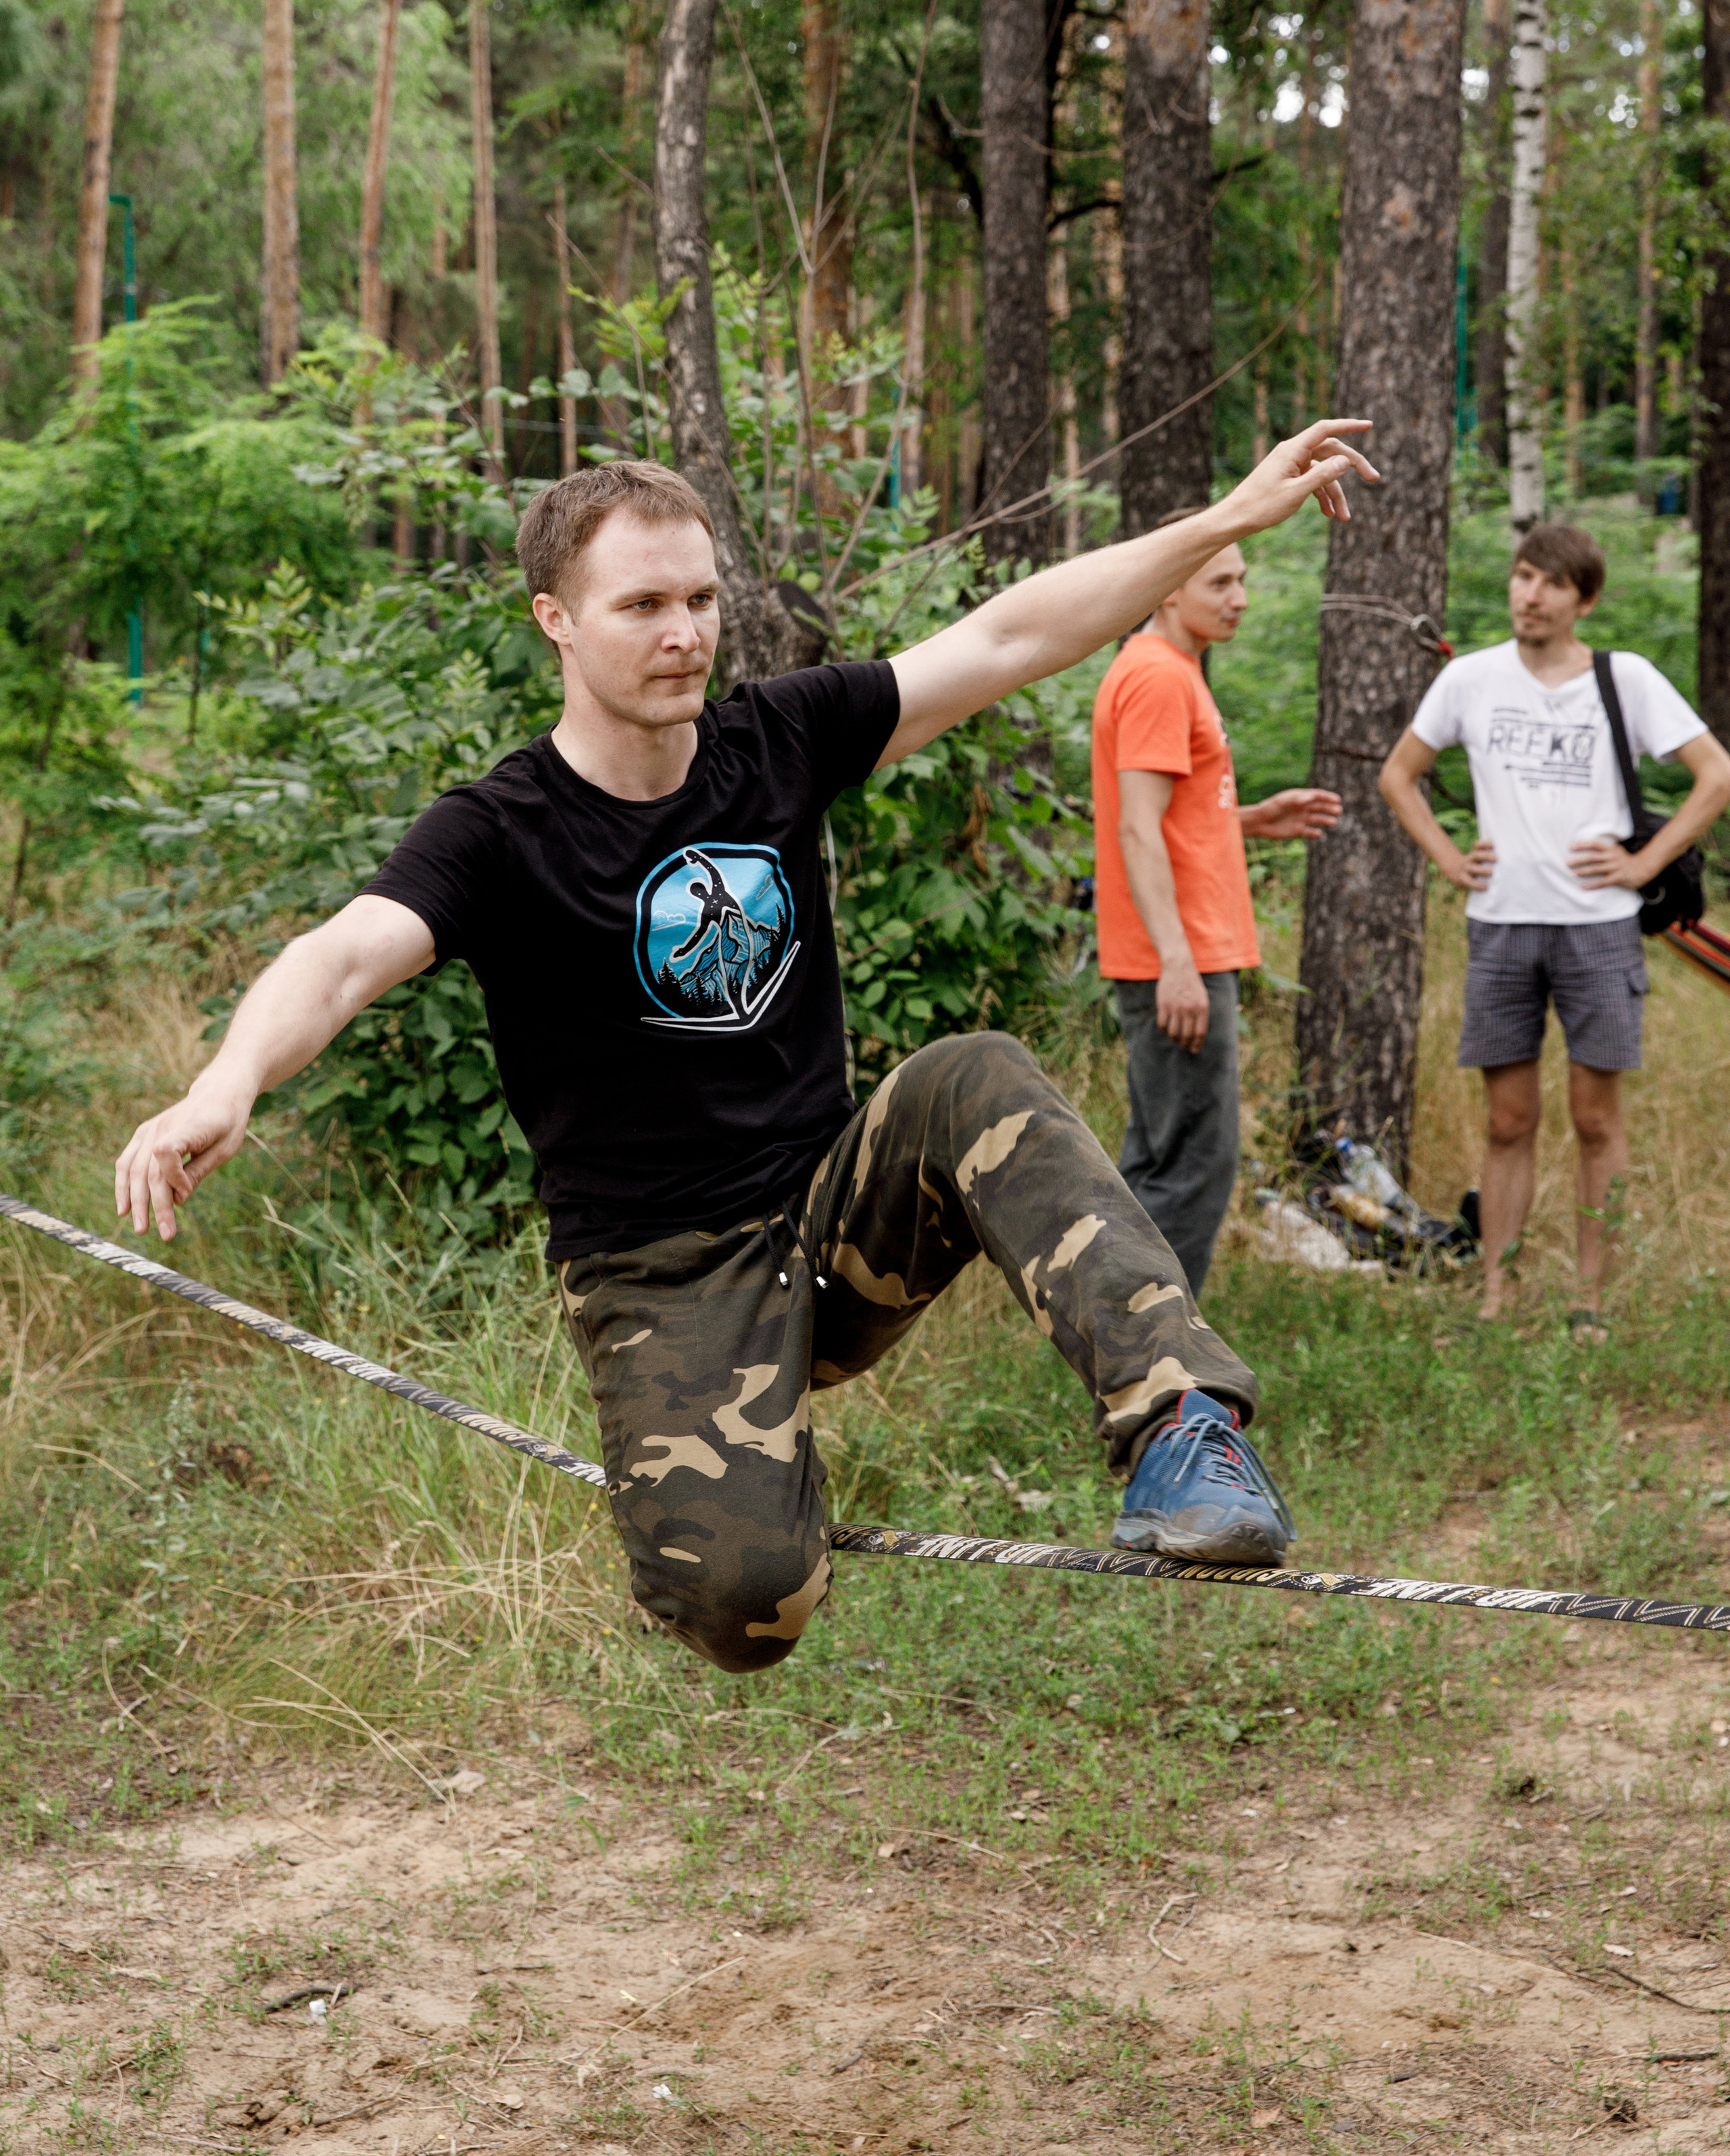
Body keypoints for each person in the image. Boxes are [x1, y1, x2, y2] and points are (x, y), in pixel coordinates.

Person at [114, 421, 1377, 1671]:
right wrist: (227, 1080)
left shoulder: (777, 738)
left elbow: (1006, 638)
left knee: (976, 1075)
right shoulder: (500, 832)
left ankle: (1180, 1425)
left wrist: (1226, 520)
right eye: (642, 605)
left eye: (702, 599)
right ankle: (735, 1485)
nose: (684, 633)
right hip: (661, 1273)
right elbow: (340, 958)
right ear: (556, 619)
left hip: (832, 1220)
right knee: (751, 1611)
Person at [1379, 521, 1730, 1329]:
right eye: (1522, 577)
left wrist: (1644, 864)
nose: (1530, 596)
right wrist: (1448, 858)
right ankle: (1496, 1296)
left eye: (1551, 584)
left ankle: (1587, 1302)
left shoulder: (1624, 679)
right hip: (1501, 924)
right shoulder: (1470, 679)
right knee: (1508, 1121)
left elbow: (1714, 775)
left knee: (1594, 1119)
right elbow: (1400, 775)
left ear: (1584, 601)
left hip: (1597, 928)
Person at [1091, 533, 1341, 1300]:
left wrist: (1251, 819)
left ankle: (1119, 1339)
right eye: (1220, 583)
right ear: (1169, 586)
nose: (1241, 599)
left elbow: (1165, 817)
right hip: (1179, 957)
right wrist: (1176, 962)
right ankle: (1155, 1354)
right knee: (1193, 1166)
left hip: (1183, 952)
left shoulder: (1171, 669)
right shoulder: (1159, 677)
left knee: (1161, 1160)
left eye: (1242, 580)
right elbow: (1136, 829)